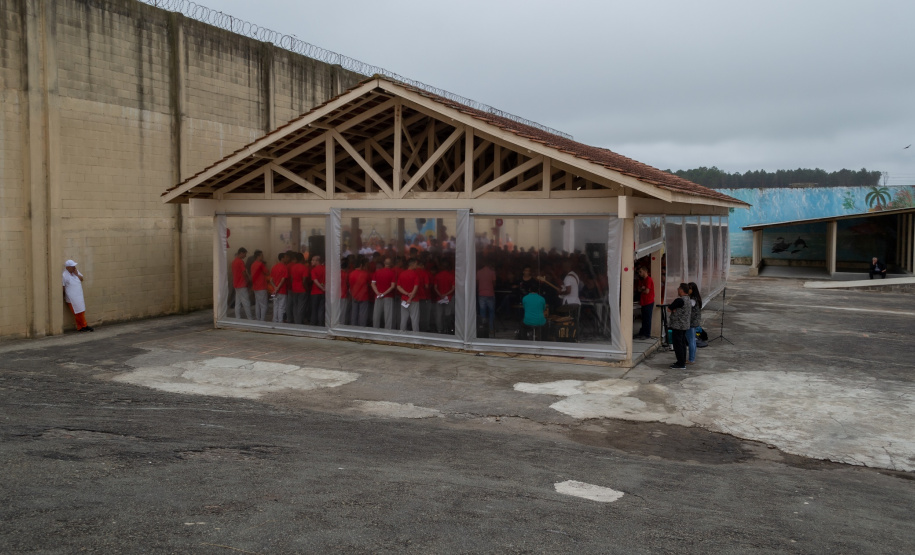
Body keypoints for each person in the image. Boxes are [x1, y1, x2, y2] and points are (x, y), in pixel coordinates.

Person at [62, 260, 93, 332]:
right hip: (71, 298)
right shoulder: (64, 275)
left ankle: (81, 327)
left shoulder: (76, 271)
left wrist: (76, 274)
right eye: (72, 266)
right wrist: (64, 296)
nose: (74, 267)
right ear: (68, 267)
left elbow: (82, 279)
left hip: (79, 296)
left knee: (81, 311)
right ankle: (84, 325)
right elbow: (63, 287)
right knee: (77, 312)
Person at [667, 283, 692, 370]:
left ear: (681, 290)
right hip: (685, 325)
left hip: (677, 325)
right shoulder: (689, 300)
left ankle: (681, 363)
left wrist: (674, 310)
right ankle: (682, 361)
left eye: (678, 289)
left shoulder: (679, 300)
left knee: (678, 345)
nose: (677, 290)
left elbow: (669, 308)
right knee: (682, 344)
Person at [371, 257, 397, 329]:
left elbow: (372, 284)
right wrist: (384, 293)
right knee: (388, 316)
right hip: (388, 296)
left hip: (378, 296)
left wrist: (378, 293)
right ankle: (387, 331)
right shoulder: (392, 273)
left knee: (376, 315)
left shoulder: (377, 272)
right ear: (391, 264)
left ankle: (375, 329)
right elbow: (392, 286)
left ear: (384, 263)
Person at [397, 258, 421, 332]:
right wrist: (410, 298)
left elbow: (398, 286)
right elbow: (415, 287)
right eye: (416, 264)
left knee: (403, 318)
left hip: (404, 299)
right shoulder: (415, 274)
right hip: (414, 300)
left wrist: (406, 293)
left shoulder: (402, 274)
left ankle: (402, 333)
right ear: (413, 264)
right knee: (414, 319)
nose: (416, 266)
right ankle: (415, 336)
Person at [433, 259, 456, 334]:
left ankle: (439, 329)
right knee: (447, 314)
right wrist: (446, 294)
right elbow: (453, 288)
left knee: (439, 315)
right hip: (448, 298)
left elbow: (435, 287)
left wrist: (440, 294)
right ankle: (447, 328)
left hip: (439, 298)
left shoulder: (437, 276)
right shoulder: (451, 276)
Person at [348, 256, 371, 327]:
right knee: (363, 314)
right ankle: (362, 328)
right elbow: (370, 283)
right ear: (361, 265)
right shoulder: (365, 274)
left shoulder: (351, 274)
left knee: (354, 313)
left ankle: (353, 327)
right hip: (364, 296)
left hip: (354, 295)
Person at [476, 258, 496, 336]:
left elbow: (477, 283)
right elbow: (494, 284)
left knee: (482, 312)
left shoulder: (479, 272)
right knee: (491, 312)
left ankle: (483, 328)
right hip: (490, 294)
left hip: (481, 294)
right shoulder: (492, 272)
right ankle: (491, 329)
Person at [231, 247, 252, 319]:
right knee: (246, 302)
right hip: (242, 284)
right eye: (245, 254)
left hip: (236, 284)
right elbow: (244, 272)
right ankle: (250, 318)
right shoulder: (240, 261)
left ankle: (238, 318)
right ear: (241, 253)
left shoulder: (234, 261)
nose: (245, 256)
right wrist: (248, 280)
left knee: (238, 302)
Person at [289, 252, 309, 325]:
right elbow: (304, 281)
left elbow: (291, 279)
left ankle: (296, 321)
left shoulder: (293, 267)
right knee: (301, 307)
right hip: (302, 289)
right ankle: (299, 323)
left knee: (295, 306)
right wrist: (306, 289)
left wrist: (292, 287)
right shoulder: (304, 268)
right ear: (302, 259)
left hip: (294, 288)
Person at [635, 267, 655, 339]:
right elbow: (638, 289)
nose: (639, 273)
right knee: (643, 318)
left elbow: (647, 291)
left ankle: (647, 334)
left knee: (647, 318)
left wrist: (642, 290)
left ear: (645, 271)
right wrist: (641, 289)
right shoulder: (642, 280)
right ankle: (642, 332)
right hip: (643, 301)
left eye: (640, 272)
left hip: (648, 301)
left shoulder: (648, 279)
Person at [686, 282, 703, 365]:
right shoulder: (697, 298)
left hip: (691, 322)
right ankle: (691, 358)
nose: (688, 290)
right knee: (692, 340)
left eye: (689, 288)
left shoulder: (693, 300)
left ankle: (691, 359)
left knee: (691, 340)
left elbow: (688, 307)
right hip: (694, 322)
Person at [270, 253, 289, 323]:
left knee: (275, 305)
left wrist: (275, 288)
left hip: (273, 291)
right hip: (282, 291)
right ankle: (280, 321)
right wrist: (278, 288)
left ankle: (274, 320)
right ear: (282, 258)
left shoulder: (274, 267)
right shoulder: (284, 267)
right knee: (281, 307)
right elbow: (283, 279)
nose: (287, 259)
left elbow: (271, 280)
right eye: (286, 257)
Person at [250, 250, 269, 321]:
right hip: (262, 286)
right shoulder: (260, 264)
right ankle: (262, 319)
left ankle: (258, 318)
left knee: (258, 304)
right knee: (264, 305)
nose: (263, 257)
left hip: (255, 287)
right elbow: (267, 272)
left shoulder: (253, 264)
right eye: (261, 255)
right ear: (258, 256)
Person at [309, 255, 326, 327]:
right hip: (323, 292)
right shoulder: (325, 268)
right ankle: (321, 323)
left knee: (314, 309)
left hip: (315, 292)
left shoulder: (314, 270)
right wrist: (324, 288)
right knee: (321, 309)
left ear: (317, 261)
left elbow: (315, 281)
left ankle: (313, 324)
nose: (311, 261)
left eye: (313, 260)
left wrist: (321, 288)